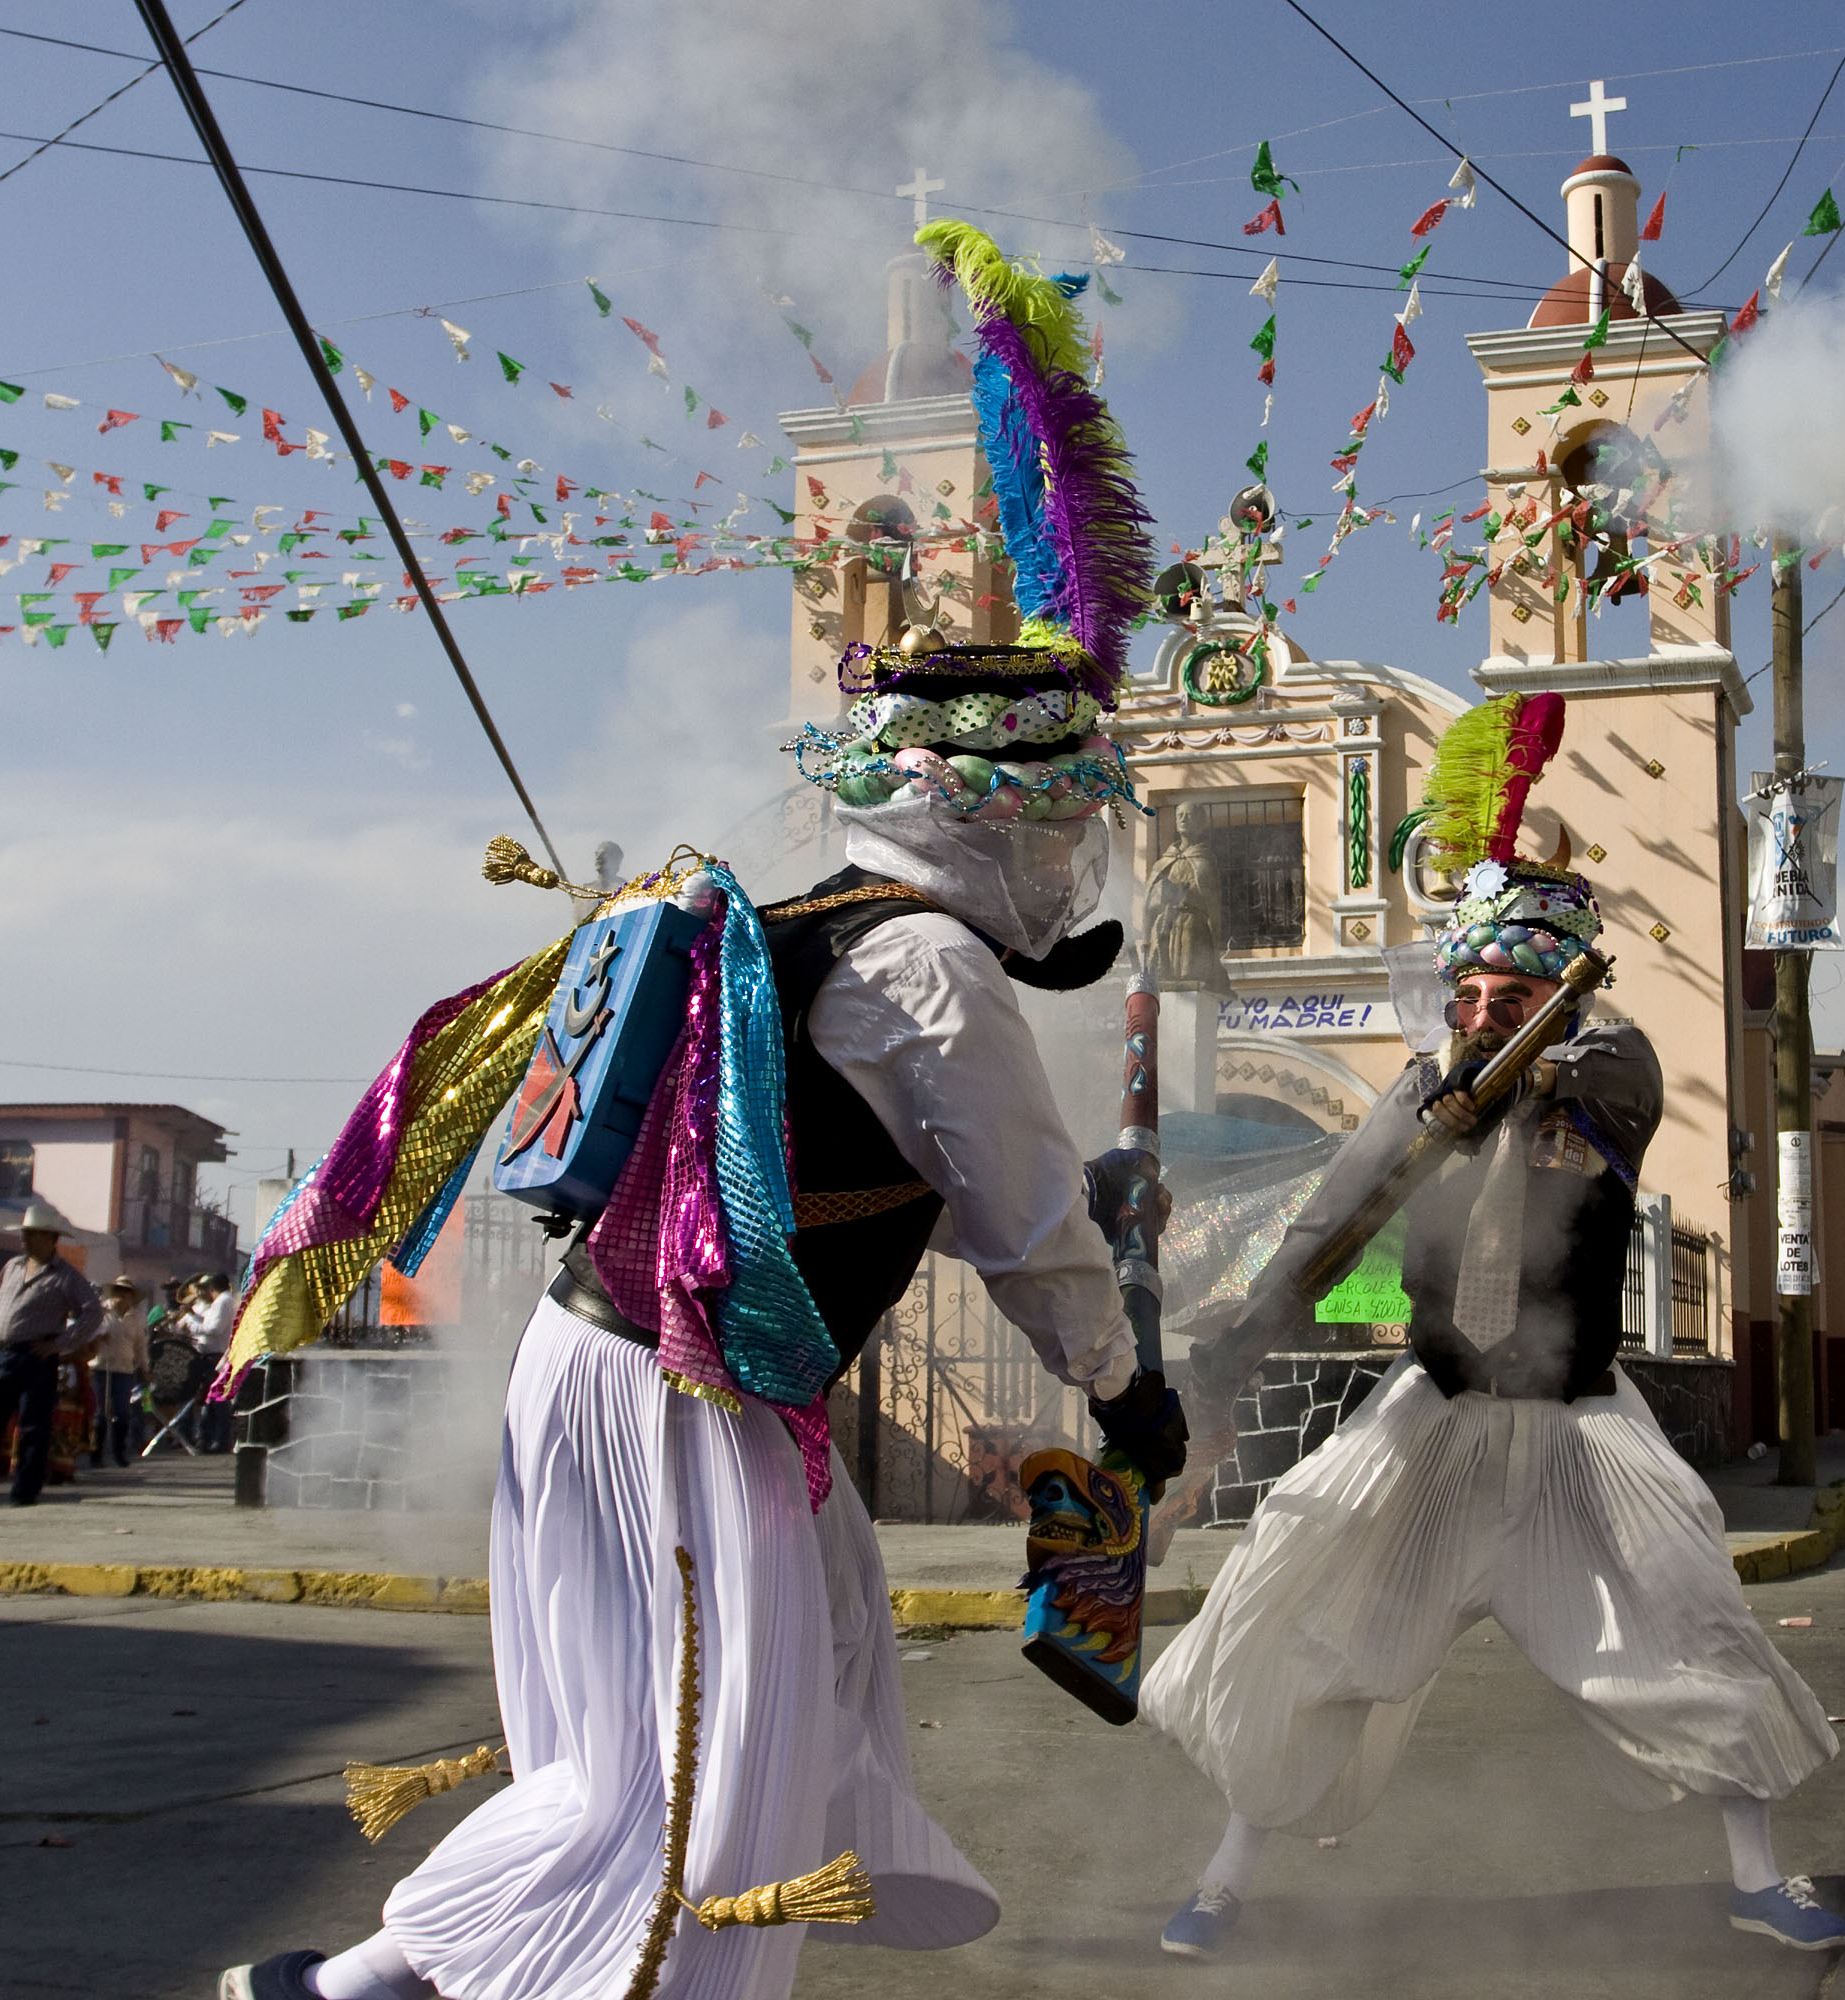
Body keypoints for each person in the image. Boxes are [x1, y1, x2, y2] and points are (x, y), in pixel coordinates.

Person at [223, 219, 1187, 2000]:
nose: (1075, 855)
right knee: (698, 1791)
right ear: (1008, 815)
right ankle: (370, 1990)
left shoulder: (828, 913)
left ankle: (350, 1989)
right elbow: (1033, 1219)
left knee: (775, 1705)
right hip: (686, 1393)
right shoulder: (930, 972)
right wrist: (1133, 1395)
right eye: (1066, 822)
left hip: (675, 1384)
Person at [1143, 692, 1845, 1962]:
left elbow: (1610, 1091)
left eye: (1507, 986)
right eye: (1465, 986)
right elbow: (1327, 1235)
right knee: (1307, 1617)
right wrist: (1227, 1362)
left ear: (1558, 988)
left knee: (1690, 1632)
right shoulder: (1423, 1092)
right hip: (1436, 1421)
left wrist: (1501, 1085)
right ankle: (1223, 1881)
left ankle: (1756, 1873)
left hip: (1580, 1427)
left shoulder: (1607, 1063)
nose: (1479, 1004)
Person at [0, 1200, 105, 1512]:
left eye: (32, 1234)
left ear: (50, 1238)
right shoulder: (12, 1267)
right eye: (25, 1233)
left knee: (33, 1427)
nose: (25, 1239)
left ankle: (24, 1494)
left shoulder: (65, 1275)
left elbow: (92, 1312)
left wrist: (61, 1343)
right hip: (3, 1355)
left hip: (37, 1357)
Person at [89, 1276, 149, 1467]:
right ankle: (96, 1453)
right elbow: (88, 1333)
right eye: (118, 1293)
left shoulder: (137, 1318)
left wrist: (144, 1368)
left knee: (122, 1412)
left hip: (125, 1369)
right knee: (100, 1412)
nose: (122, 1298)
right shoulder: (101, 1312)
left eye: (126, 1294)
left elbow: (141, 1346)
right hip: (101, 1367)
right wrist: (99, 1337)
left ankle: (118, 1452)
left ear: (131, 1297)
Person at [185, 1271, 238, 1452]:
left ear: (212, 1288)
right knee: (209, 1401)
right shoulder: (223, 1301)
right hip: (212, 1355)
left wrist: (192, 1325)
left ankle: (221, 1440)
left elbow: (214, 1328)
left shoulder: (223, 1302)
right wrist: (193, 1316)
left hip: (215, 1355)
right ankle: (207, 1438)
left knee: (217, 1401)